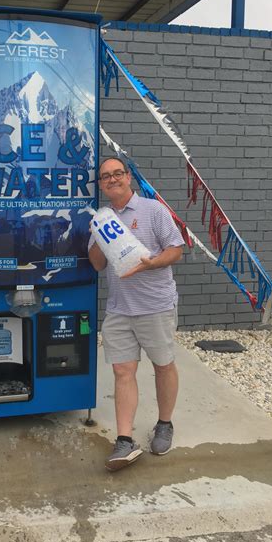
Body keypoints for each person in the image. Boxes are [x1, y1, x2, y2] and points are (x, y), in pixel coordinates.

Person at [88, 157, 184, 472]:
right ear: (101, 184)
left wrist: (151, 263)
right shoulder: (101, 218)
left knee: (163, 366)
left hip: (155, 306)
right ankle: (125, 440)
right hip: (119, 309)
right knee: (122, 372)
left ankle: (164, 424)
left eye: (118, 173)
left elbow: (176, 250)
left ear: (128, 177)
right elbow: (97, 264)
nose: (112, 179)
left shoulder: (153, 210)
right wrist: (100, 236)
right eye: (106, 177)